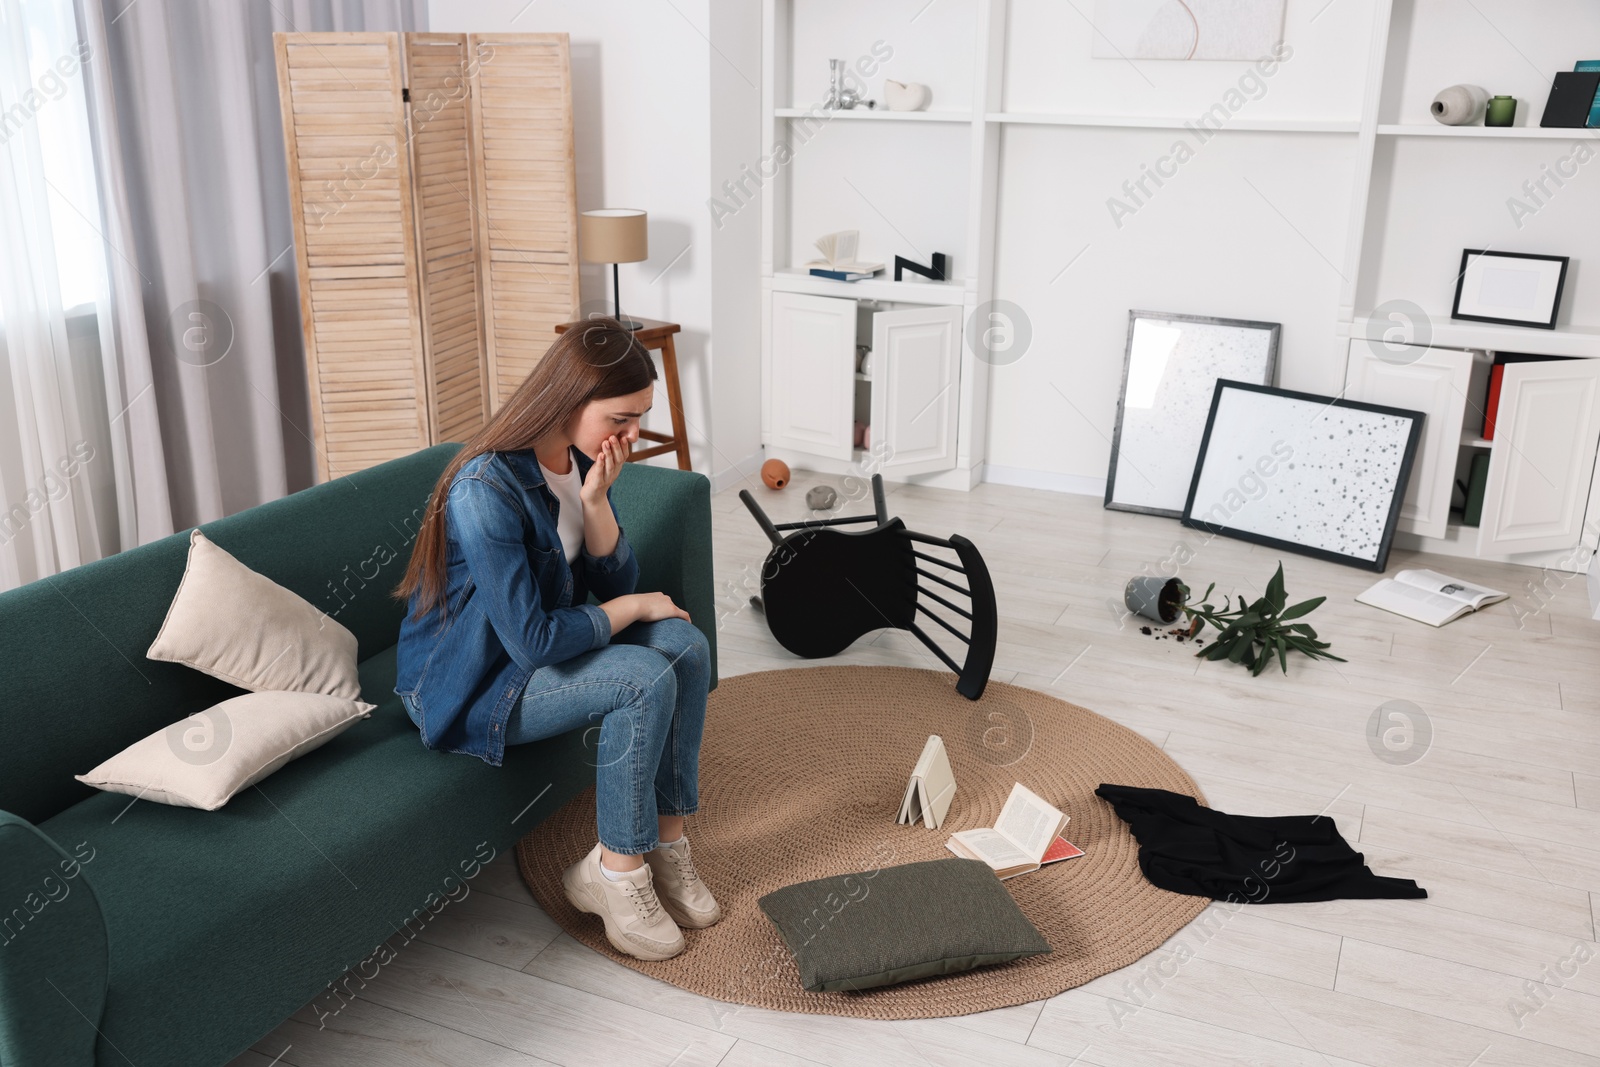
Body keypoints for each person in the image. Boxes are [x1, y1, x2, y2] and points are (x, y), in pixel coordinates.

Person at [391, 316, 718, 962]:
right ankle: (616, 874)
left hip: (526, 657)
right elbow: (536, 640)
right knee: (640, 677)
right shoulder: (485, 488)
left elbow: (613, 575)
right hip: (470, 683)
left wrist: (597, 504)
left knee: (686, 646)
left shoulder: (575, 459)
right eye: (621, 418)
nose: (632, 436)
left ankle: (667, 843)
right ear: (569, 400)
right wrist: (631, 607)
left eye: (640, 417)